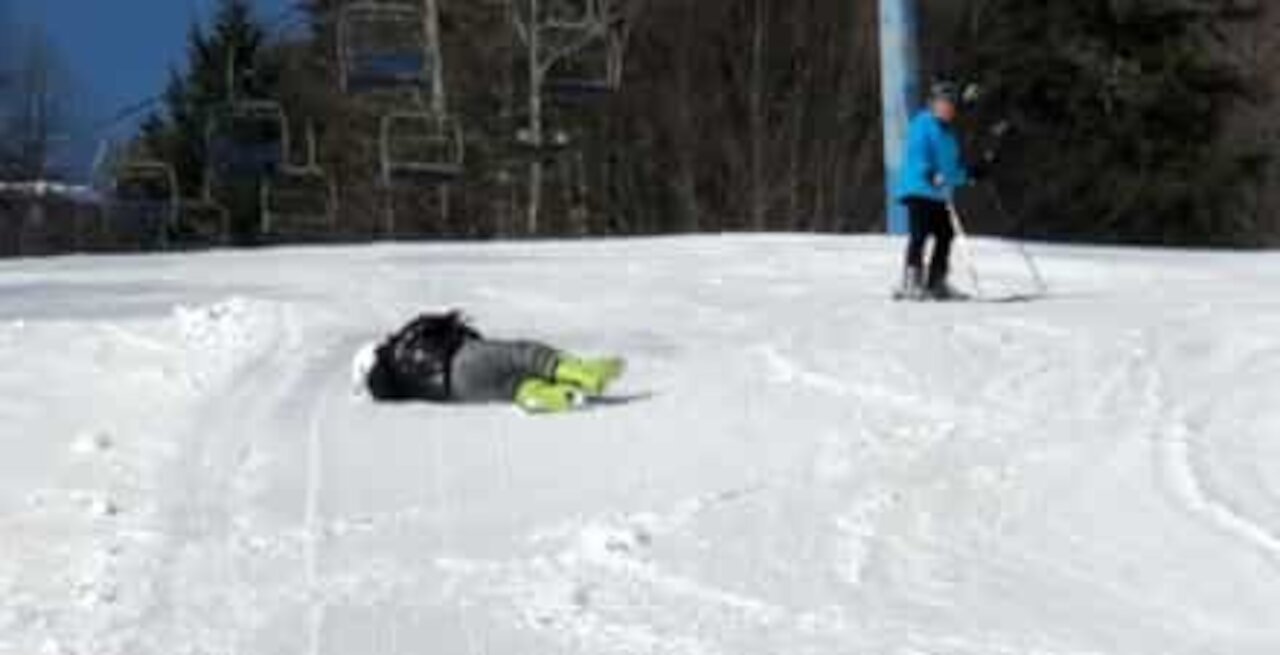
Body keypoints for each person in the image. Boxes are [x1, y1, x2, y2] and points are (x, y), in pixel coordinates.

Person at [351, 311, 625, 414]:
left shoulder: (397, 386)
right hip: (461, 359)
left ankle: (552, 396)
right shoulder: (405, 339)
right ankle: (585, 372)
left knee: (512, 385)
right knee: (524, 354)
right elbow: (440, 325)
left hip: (458, 393)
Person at [895, 81, 975, 300]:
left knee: (945, 234)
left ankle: (936, 281)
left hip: (938, 193)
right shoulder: (922, 124)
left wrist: (970, 174)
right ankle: (912, 279)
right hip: (919, 188)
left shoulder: (949, 135)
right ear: (933, 104)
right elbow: (917, 154)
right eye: (943, 103)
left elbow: (951, 170)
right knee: (919, 233)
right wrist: (929, 172)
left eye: (951, 105)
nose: (948, 109)